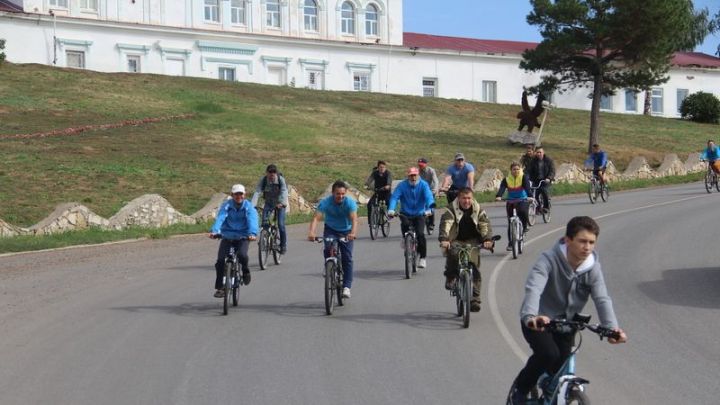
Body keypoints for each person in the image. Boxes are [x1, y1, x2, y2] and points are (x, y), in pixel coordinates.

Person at [509, 216, 628, 404]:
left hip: (567, 326)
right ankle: (521, 390)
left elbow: (602, 298)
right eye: (582, 241)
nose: (587, 247)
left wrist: (612, 328)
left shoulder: (593, 268)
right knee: (548, 354)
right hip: (538, 322)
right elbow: (534, 287)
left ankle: (552, 392)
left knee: (560, 369)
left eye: (591, 242)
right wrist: (531, 316)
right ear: (568, 240)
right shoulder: (548, 259)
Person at [438, 187, 494, 312]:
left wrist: (487, 240)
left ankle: (475, 299)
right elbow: (446, 225)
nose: (466, 201)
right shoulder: (451, 209)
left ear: (472, 198)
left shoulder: (478, 209)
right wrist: (444, 239)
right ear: (458, 198)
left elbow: (484, 225)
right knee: (453, 254)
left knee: (474, 266)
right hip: (455, 239)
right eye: (464, 198)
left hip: (473, 240)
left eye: (469, 198)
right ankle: (451, 276)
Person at [308, 180, 358, 299]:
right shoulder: (326, 203)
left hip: (346, 231)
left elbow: (354, 219)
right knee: (328, 248)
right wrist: (312, 232)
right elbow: (316, 218)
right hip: (331, 229)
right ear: (332, 193)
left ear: (345, 194)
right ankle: (329, 266)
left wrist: (353, 233)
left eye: (342, 194)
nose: (340, 196)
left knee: (347, 258)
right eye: (337, 194)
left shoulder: (350, 203)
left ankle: (346, 287)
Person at [209, 184, 259, 298]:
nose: (238, 196)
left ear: (244, 195)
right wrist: (215, 231)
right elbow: (220, 218)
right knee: (220, 260)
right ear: (232, 195)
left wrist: (252, 233)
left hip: (243, 236)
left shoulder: (248, 207)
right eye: (236, 194)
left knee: (242, 255)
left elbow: (252, 220)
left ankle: (245, 270)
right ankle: (220, 287)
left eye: (240, 194)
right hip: (227, 236)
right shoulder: (226, 206)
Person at [388, 167, 435, 269]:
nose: (413, 178)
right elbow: (395, 197)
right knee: (405, 225)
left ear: (418, 175)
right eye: (411, 176)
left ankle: (422, 258)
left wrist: (430, 209)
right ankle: (406, 239)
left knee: (420, 234)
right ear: (408, 176)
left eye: (415, 175)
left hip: (419, 213)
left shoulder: (423, 185)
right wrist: (391, 209)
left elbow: (429, 197)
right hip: (406, 213)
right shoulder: (402, 185)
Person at [251, 164, 289, 254]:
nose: (272, 175)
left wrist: (282, 203)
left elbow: (284, 191)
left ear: (276, 173)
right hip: (268, 203)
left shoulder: (280, 180)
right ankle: (264, 240)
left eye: (273, 173)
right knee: (264, 222)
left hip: (280, 204)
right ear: (266, 173)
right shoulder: (263, 180)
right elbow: (257, 191)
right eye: (270, 173)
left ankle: (283, 245)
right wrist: (252, 206)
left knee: (281, 225)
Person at [495, 162, 532, 251]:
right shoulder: (506, 179)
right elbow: (502, 188)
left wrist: (530, 196)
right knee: (510, 222)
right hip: (510, 200)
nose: (516, 171)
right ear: (511, 170)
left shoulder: (523, 177)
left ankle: (524, 226)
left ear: (520, 170)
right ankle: (511, 243)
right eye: (514, 169)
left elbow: (527, 188)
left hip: (522, 199)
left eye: (517, 169)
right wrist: (499, 196)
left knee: (523, 212)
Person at [526, 147, 555, 213]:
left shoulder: (549, 160)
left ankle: (546, 207)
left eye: (540, 152)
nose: (539, 154)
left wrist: (549, 178)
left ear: (543, 152)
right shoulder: (533, 161)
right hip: (536, 180)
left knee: (544, 192)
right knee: (533, 194)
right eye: (537, 152)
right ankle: (538, 208)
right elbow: (529, 170)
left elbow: (552, 171)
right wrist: (526, 178)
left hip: (545, 181)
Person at [417, 157, 439, 231]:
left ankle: (431, 223)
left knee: (430, 206)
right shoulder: (418, 172)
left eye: (422, 165)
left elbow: (436, 181)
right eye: (419, 165)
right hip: (422, 190)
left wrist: (435, 190)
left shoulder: (431, 170)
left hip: (431, 190)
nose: (420, 166)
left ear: (425, 164)